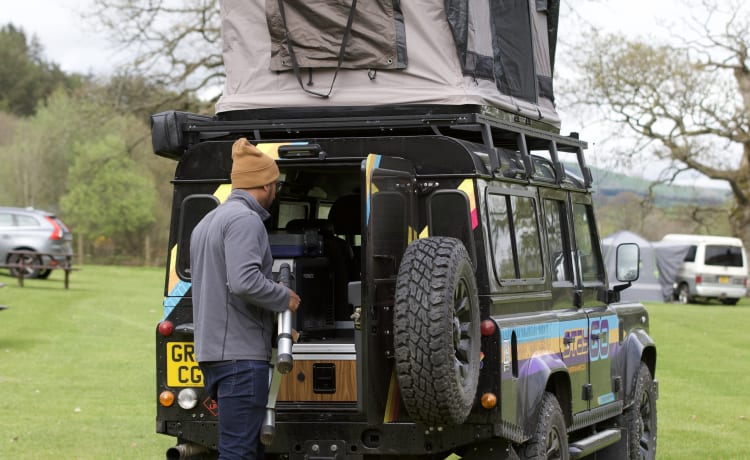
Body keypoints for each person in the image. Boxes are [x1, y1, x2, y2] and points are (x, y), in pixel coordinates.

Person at [190, 137, 301, 460]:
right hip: (240, 359)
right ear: (266, 185)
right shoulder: (246, 220)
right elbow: (244, 282)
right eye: (276, 184)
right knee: (238, 452)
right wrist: (285, 298)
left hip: (215, 353)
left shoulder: (207, 222)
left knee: (238, 447)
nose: (276, 191)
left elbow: (226, 293)